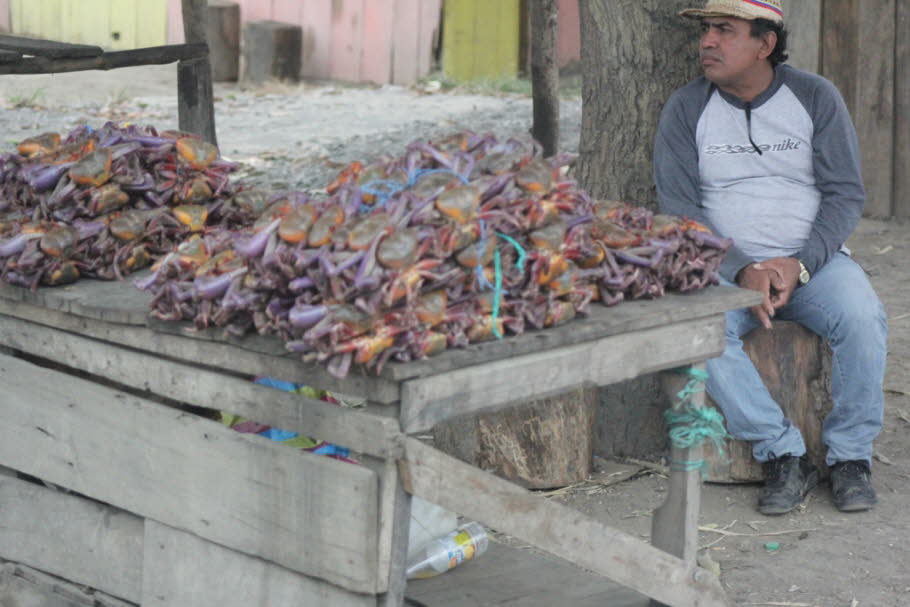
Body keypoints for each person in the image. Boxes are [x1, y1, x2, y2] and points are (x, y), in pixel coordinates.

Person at [653, 0, 888, 515]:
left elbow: (845, 193)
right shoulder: (687, 106)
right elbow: (679, 207)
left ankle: (850, 457)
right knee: (699, 332)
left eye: (724, 31)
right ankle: (783, 452)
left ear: (766, 43)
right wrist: (741, 268)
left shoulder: (814, 96)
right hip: (723, 268)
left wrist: (797, 263)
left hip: (814, 265)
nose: (707, 42)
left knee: (863, 317)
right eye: (707, 31)